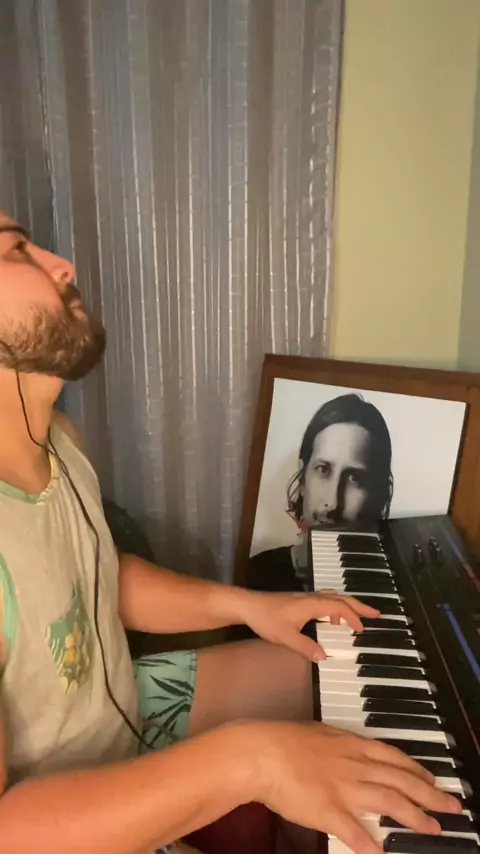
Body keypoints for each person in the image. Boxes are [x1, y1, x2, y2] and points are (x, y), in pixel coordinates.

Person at [0, 210, 459, 854]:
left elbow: (99, 574)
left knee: (336, 665)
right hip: (57, 807)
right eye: (15, 249)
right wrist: (252, 761)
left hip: (122, 704)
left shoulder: (58, 439)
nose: (61, 264)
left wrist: (251, 606)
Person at [248, 394, 393, 593]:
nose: (332, 504)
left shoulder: (392, 591)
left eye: (355, 478)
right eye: (323, 470)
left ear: (381, 494)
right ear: (302, 479)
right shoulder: (256, 576)